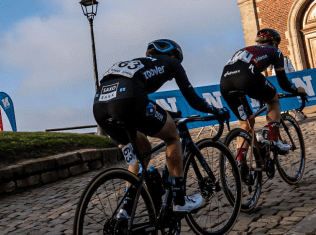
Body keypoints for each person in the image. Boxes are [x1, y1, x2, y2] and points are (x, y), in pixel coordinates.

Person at [92, 39, 228, 214]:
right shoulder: (170, 62)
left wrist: (169, 115)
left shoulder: (138, 63)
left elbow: (143, 102)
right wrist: (215, 110)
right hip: (129, 100)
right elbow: (193, 99)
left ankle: (125, 211)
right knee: (172, 136)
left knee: (143, 150)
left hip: (100, 107)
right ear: (173, 55)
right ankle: (179, 200)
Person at [218, 28, 306, 158]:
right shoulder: (275, 51)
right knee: (272, 100)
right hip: (246, 76)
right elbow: (283, 83)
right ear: (274, 43)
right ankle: (275, 140)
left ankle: (240, 163)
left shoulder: (246, 50)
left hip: (225, 81)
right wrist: (297, 90)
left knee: (246, 124)